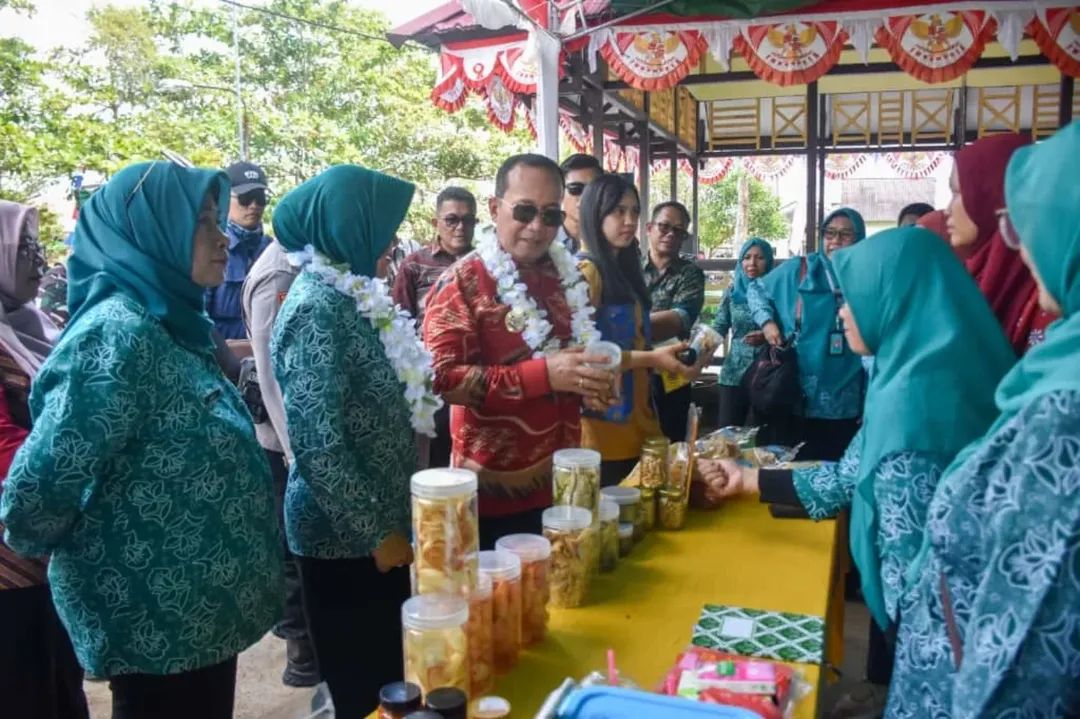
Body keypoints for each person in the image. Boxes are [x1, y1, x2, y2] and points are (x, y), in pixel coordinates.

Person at [0, 161, 284, 719]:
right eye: (203, 222)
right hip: (157, 624)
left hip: (198, 616)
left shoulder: (172, 321)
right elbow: (36, 494)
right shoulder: (115, 336)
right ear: (151, 234)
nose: (222, 236)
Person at [704, 227, 1015, 718]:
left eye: (855, 299)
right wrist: (748, 479)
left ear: (896, 300)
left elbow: (921, 581)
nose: (843, 311)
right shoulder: (924, 370)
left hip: (945, 636)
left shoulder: (916, 406)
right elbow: (849, 475)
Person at [885, 121, 1080, 719]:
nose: (1020, 244)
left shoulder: (1063, 411)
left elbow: (1025, 649)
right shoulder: (1056, 360)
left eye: (1028, 222)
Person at [271, 165, 434, 717]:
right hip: (342, 539)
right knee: (363, 687)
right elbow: (318, 444)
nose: (391, 242)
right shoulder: (315, 310)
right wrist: (374, 533)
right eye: (381, 227)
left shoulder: (354, 297)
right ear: (346, 227)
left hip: (377, 530)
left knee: (390, 677)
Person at [424, 154, 617, 547]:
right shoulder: (460, 283)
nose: (536, 227)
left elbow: (574, 357)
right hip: (493, 498)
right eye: (524, 211)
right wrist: (543, 374)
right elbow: (442, 379)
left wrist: (590, 383)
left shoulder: (568, 277)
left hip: (565, 484)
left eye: (549, 216)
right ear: (495, 209)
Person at [0, 200, 88, 719]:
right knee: (23, 679)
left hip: (56, 536)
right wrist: (75, 469)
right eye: (24, 248)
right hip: (13, 552)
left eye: (38, 247)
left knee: (61, 675)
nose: (39, 260)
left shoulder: (36, 322)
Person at [576, 174, 693, 485]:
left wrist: (668, 359)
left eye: (634, 211)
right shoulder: (586, 273)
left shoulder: (624, 271)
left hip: (639, 421)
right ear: (594, 213)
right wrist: (654, 359)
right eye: (618, 211)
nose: (629, 221)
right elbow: (582, 357)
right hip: (603, 431)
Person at [239, 239, 317, 688]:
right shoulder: (277, 274)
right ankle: (301, 652)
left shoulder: (299, 263)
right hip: (282, 442)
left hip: (296, 442)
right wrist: (295, 452)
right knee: (291, 550)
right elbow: (270, 372)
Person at [747, 208, 866, 459]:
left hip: (847, 395)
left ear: (860, 238)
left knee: (835, 467)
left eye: (846, 234)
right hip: (797, 391)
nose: (835, 241)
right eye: (830, 233)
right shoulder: (800, 270)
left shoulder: (868, 276)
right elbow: (756, 290)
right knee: (793, 466)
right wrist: (768, 324)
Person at [947, 132, 1056, 353]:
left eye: (958, 192)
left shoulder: (1052, 294)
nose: (947, 209)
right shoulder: (972, 277)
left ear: (993, 195)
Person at [393, 187, 477, 469]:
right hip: (432, 381)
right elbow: (397, 326)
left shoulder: (488, 263)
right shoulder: (414, 266)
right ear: (436, 222)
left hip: (478, 379)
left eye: (468, 220)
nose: (460, 227)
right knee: (437, 463)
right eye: (451, 219)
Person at [642, 200, 706, 441]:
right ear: (649, 228)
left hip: (673, 370)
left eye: (678, 231)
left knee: (672, 440)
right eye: (664, 226)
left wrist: (628, 325)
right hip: (634, 369)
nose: (670, 234)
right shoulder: (629, 268)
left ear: (684, 237)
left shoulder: (690, 274)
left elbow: (681, 318)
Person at [712, 238, 774, 429]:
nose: (752, 263)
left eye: (759, 258)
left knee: (761, 438)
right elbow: (720, 325)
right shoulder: (732, 291)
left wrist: (766, 336)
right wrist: (704, 349)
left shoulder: (776, 290)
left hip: (768, 374)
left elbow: (790, 328)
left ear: (769, 261)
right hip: (734, 373)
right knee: (727, 435)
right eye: (747, 257)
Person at [205, 161, 272, 339]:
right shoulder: (209, 249)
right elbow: (199, 321)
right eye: (245, 198)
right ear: (225, 199)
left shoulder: (274, 252)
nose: (254, 205)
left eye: (260, 198)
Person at [557, 153, 602, 254]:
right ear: (559, 193)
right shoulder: (544, 242)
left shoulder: (611, 242)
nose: (584, 197)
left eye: (592, 189)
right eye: (576, 189)